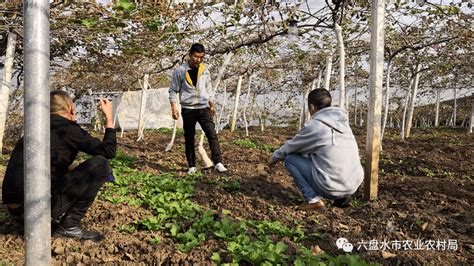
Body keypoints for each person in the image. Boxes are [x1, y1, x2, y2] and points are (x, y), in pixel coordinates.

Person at [2, 90, 116, 240]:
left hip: (17, 212)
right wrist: (109, 119)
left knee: (78, 168)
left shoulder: (35, 129)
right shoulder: (66, 129)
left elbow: (48, 165)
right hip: (34, 212)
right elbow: (108, 151)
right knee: (101, 164)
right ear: (70, 109)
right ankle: (70, 225)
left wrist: (74, 168)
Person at [269, 89, 363, 211]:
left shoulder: (316, 127)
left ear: (312, 107)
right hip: (353, 184)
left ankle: (312, 200)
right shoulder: (343, 124)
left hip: (332, 188)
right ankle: (342, 198)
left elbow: (291, 147)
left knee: (290, 159)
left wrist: (274, 158)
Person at [169, 43, 227, 174]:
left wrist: (211, 103)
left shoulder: (205, 70)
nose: (198, 60)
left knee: (212, 135)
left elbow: (209, 89)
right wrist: (174, 107)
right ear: (190, 54)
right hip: (188, 109)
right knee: (189, 137)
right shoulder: (180, 71)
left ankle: (218, 162)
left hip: (203, 108)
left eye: (201, 57)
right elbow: (173, 90)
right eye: (196, 56)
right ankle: (192, 166)